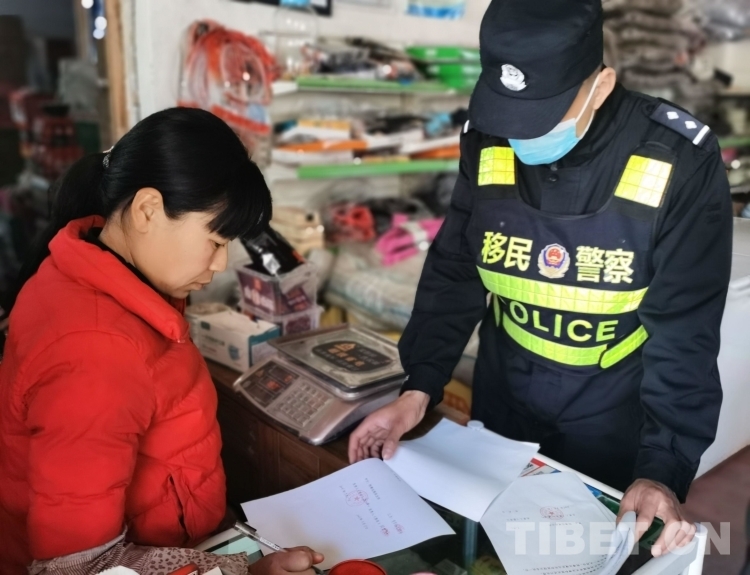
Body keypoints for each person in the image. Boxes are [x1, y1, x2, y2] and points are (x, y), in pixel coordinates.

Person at [349, 0, 732, 558]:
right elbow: (455, 269)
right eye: (509, 115)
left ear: (601, 86)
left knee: (587, 555)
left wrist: (662, 467)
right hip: (503, 399)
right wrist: (418, 388)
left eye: (541, 118)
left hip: (611, 414)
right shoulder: (488, 136)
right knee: (488, 551)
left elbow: (685, 330)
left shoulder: (678, 158)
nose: (519, 136)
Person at [0, 108, 324, 575]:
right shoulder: (95, 349)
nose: (220, 264)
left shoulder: (92, 272)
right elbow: (81, 567)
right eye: (215, 241)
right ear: (148, 209)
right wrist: (245, 571)